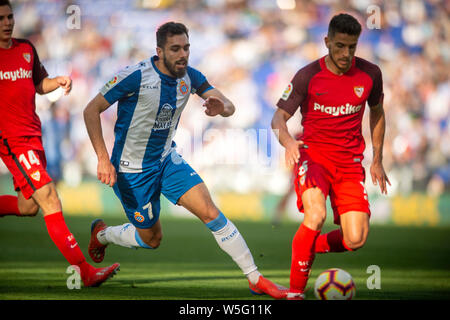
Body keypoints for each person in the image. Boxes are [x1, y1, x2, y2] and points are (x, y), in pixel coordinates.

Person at [83, 21, 287, 299]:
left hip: (167, 161)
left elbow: (229, 105)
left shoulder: (189, 76)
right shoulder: (136, 76)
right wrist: (102, 159)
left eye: (186, 48)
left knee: (210, 212)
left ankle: (255, 278)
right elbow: (91, 110)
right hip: (131, 171)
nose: (183, 55)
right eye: (175, 49)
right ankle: (103, 235)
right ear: (159, 51)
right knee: (152, 239)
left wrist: (221, 107)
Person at [0, 0, 119, 287]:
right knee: (51, 198)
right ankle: (84, 271)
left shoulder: (26, 49)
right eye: (1, 18)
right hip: (13, 142)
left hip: (33, 136)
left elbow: (38, 84)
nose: (7, 22)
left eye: (10, 16)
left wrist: (58, 82)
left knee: (29, 206)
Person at [271, 13, 390, 300]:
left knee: (355, 238)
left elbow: (377, 112)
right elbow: (278, 119)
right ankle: (295, 293)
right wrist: (288, 143)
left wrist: (377, 159)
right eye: (339, 46)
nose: (346, 53)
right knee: (316, 213)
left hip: (350, 164)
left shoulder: (370, 74)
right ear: (327, 42)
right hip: (313, 157)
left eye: (352, 47)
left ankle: (308, 244)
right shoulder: (308, 75)